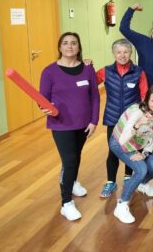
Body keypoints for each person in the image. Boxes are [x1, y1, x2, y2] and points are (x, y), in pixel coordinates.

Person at [39, 32, 100, 221]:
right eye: (65, 43)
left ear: (79, 47)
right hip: (61, 124)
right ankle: (66, 203)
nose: (69, 46)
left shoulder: (87, 68)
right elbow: (42, 100)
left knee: (75, 156)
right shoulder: (49, 71)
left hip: (83, 123)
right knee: (71, 159)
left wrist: (94, 121)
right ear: (59, 47)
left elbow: (95, 97)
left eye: (74, 43)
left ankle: (72, 181)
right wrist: (44, 108)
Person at [120, 3, 153, 176]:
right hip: (145, 96)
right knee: (144, 129)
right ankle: (143, 158)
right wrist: (131, 9)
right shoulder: (143, 42)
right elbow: (123, 28)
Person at [95, 39, 148, 197]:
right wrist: (86, 67)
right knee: (113, 151)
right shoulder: (105, 71)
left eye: (126, 52)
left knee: (130, 149)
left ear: (131, 53)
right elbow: (89, 83)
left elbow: (145, 95)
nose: (122, 55)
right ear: (113, 54)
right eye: (119, 52)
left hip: (132, 120)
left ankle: (127, 178)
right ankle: (111, 182)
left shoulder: (139, 72)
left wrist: (142, 118)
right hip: (112, 118)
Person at [109, 85, 153, 224]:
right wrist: (138, 124)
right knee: (141, 170)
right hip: (121, 144)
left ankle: (141, 184)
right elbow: (123, 140)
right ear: (146, 101)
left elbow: (152, 137)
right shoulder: (137, 113)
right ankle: (121, 205)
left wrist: (145, 153)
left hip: (140, 146)